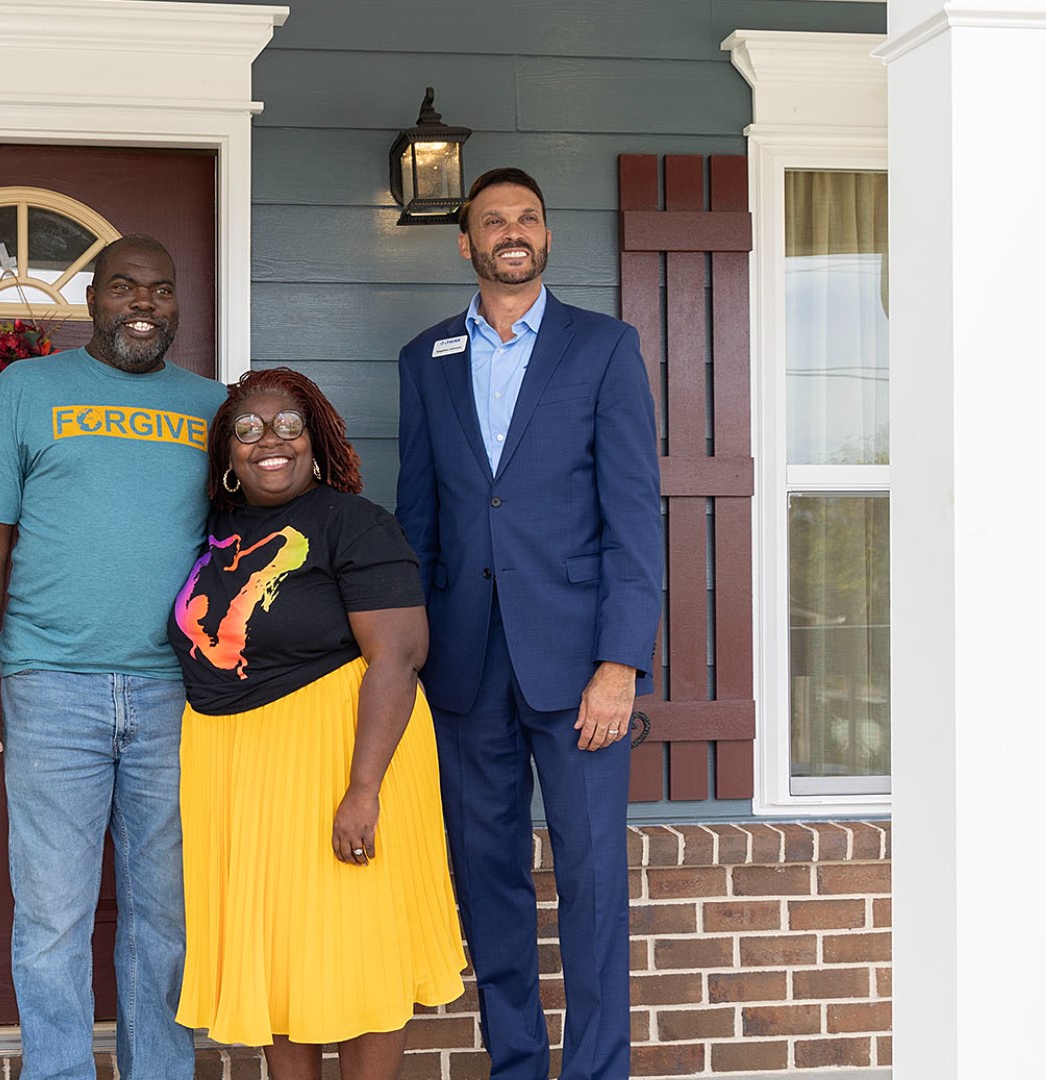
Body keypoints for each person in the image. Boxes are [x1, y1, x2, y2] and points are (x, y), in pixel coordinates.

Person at [395, 166, 663, 1080]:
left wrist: (620, 662)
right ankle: (516, 1063)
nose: (512, 231)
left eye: (529, 218)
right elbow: (420, 518)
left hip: (581, 668)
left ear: (547, 238)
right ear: (465, 243)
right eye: (493, 221)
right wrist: (418, 658)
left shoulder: (604, 347)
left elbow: (635, 518)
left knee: (591, 885)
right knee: (488, 880)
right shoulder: (424, 356)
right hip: (466, 668)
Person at [0, 234, 225, 1080]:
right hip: (51, 685)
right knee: (54, 914)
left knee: (164, 915)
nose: (144, 303)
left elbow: (253, 546)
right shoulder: (29, 391)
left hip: (177, 692)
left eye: (162, 290)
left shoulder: (216, 407)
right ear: (93, 300)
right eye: (124, 288)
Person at [168, 368, 467, 1079]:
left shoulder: (353, 523)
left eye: (287, 427)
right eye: (247, 430)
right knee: (277, 948)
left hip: (336, 753)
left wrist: (363, 790)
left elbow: (399, 657)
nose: (269, 442)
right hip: (238, 769)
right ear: (226, 455)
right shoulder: (216, 529)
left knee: (357, 943)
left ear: (316, 440)